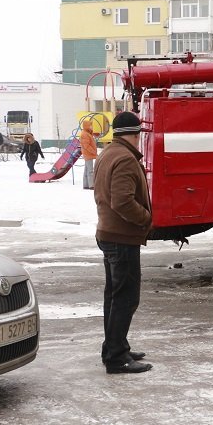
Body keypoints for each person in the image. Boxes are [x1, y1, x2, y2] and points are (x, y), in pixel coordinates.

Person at [94, 112, 153, 374]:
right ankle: (117, 358)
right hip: (121, 238)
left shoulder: (108, 153)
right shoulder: (126, 159)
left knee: (114, 297)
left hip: (109, 234)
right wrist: (146, 219)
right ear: (135, 134)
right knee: (126, 298)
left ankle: (115, 347)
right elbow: (122, 201)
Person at [80, 119, 97, 190]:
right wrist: (93, 152)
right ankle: (91, 185)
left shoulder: (87, 133)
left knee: (86, 169)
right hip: (88, 153)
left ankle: (86, 185)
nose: (91, 127)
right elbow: (86, 146)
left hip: (88, 153)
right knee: (90, 170)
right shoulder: (84, 134)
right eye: (90, 125)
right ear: (86, 126)